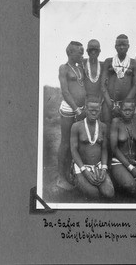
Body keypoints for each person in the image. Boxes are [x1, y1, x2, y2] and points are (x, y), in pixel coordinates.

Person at [70, 95, 114, 199]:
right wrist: (84, 171)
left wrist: (104, 168)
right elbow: (73, 150)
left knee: (109, 193)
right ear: (85, 109)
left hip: (98, 166)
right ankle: (76, 178)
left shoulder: (103, 127)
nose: (94, 113)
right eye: (91, 110)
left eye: (97, 110)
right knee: (93, 194)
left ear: (100, 110)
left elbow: (104, 149)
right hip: (82, 167)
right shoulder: (76, 126)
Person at [57, 41, 86, 190]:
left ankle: (69, 175)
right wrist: (76, 109)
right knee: (66, 143)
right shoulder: (64, 68)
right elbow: (65, 91)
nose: (82, 55)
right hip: (70, 109)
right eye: (80, 52)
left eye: (82, 52)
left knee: (75, 144)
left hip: (80, 109)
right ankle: (60, 178)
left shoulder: (80, 68)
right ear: (70, 53)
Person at [101, 34, 136, 127]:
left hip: (126, 104)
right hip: (109, 102)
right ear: (115, 46)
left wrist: (125, 104)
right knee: (107, 128)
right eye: (119, 45)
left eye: (124, 45)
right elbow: (102, 85)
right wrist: (111, 105)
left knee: (124, 130)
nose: (122, 47)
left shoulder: (134, 63)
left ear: (128, 46)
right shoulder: (108, 61)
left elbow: (135, 86)